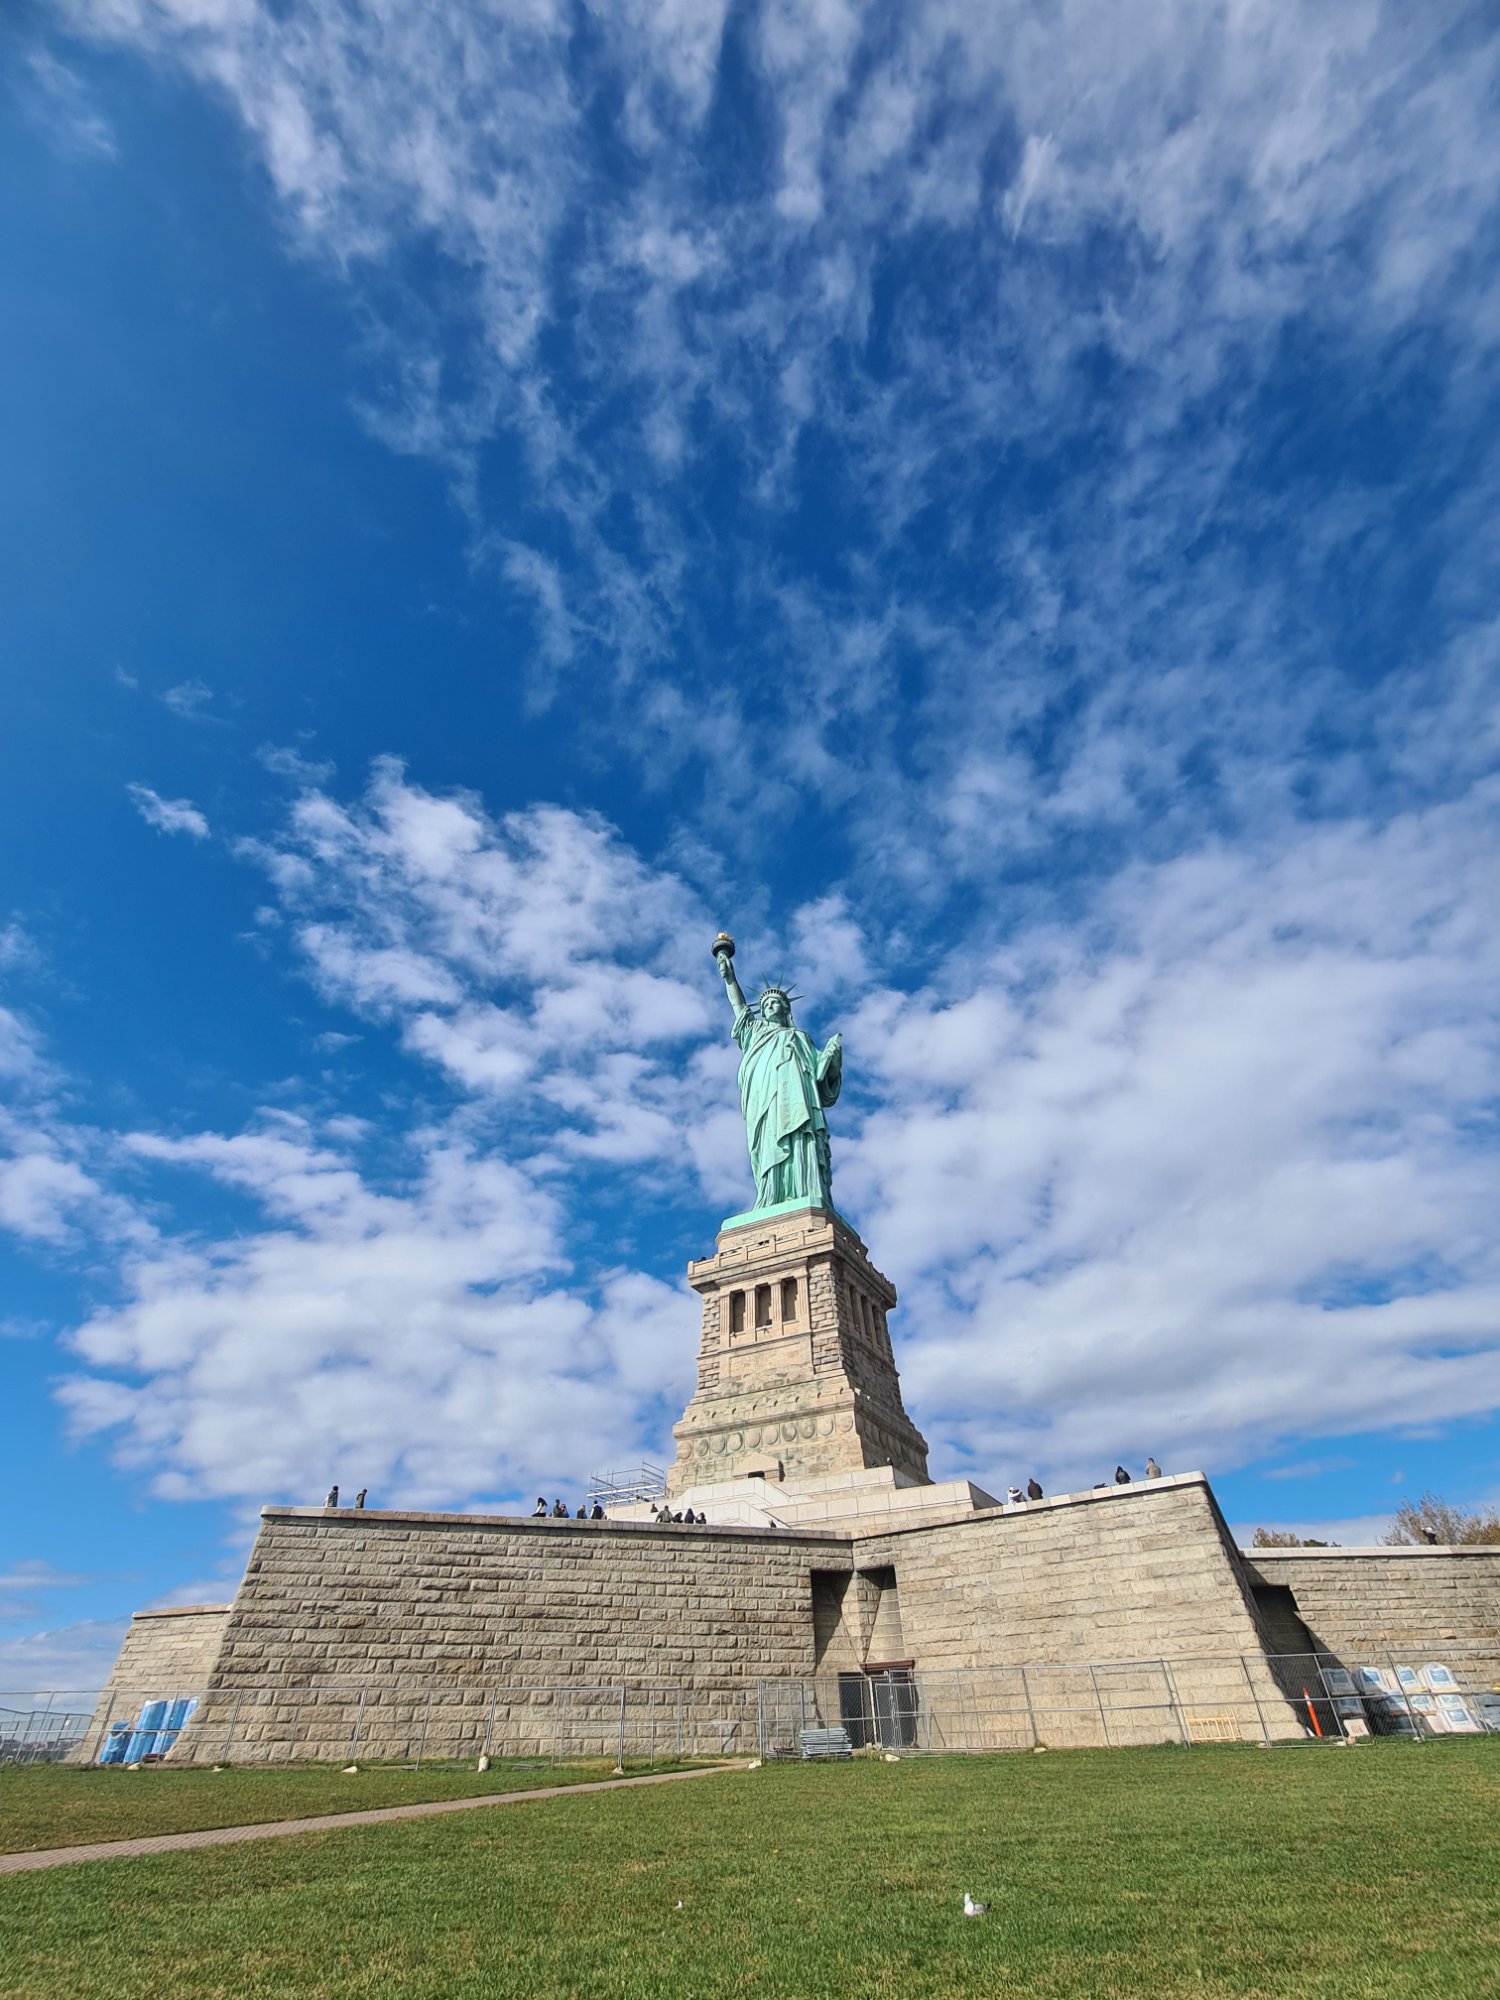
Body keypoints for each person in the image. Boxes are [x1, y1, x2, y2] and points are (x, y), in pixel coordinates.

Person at [713, 941, 842, 1212]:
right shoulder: (755, 1032)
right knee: (768, 1142)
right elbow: (738, 1005)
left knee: (801, 1136)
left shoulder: (800, 1038)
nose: (771, 1007)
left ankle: (804, 1189)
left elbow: (821, 1081)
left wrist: (831, 1059)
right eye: (767, 1004)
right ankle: (771, 1195)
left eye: (776, 1003)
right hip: (764, 1100)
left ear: (786, 1009)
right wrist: (729, 977)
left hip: (797, 1100)